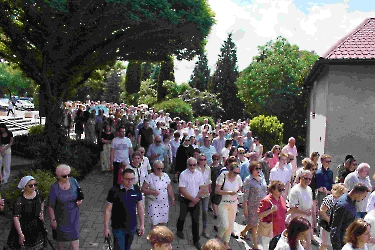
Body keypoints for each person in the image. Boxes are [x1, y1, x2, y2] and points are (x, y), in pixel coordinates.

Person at [104, 168, 145, 250]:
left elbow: (140, 208)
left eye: (132, 179)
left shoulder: (136, 189)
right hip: (118, 226)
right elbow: (108, 210)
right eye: (127, 179)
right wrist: (106, 228)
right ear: (122, 178)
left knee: (127, 247)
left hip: (132, 226)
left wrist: (142, 225)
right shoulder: (114, 190)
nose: (130, 181)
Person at [48, 164, 83, 250]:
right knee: (60, 237)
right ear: (58, 176)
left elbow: (80, 194)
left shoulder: (74, 181)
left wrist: (80, 201)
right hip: (60, 217)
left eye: (69, 175)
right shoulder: (54, 187)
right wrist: (53, 220)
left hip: (73, 215)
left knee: (75, 236)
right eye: (64, 176)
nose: (67, 177)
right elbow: (50, 206)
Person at [5, 176, 45, 250]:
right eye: (31, 185)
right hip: (23, 226)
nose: (34, 187)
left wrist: (41, 212)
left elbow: (42, 202)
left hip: (36, 226)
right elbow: (16, 218)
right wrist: (20, 234)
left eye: (35, 184)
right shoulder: (19, 200)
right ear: (25, 187)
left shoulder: (38, 193)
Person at [330, 183, 370, 250]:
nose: (363, 199)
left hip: (349, 240)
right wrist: (337, 247)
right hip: (342, 243)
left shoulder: (352, 201)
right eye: (364, 196)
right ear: (358, 193)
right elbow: (335, 229)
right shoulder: (342, 205)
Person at [176, 157, 205, 250]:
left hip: (196, 200)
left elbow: (202, 188)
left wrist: (196, 199)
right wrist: (193, 199)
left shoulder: (199, 174)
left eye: (194, 165)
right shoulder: (183, 174)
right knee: (182, 216)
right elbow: (182, 190)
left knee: (196, 221)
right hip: (185, 200)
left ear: (196, 165)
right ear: (187, 164)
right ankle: (179, 230)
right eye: (190, 165)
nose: (192, 166)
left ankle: (196, 240)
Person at [215, 162, 243, 250]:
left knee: (230, 225)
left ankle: (226, 243)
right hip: (223, 202)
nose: (236, 175)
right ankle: (218, 239)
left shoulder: (238, 178)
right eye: (235, 172)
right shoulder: (223, 176)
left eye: (238, 173)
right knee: (225, 224)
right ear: (230, 170)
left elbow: (240, 188)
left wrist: (240, 194)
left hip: (234, 203)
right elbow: (217, 191)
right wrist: (228, 193)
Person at [240, 161, 267, 249]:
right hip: (253, 206)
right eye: (257, 168)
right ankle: (255, 245)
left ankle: (243, 232)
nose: (259, 170)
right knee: (255, 225)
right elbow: (245, 196)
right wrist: (245, 208)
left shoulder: (262, 177)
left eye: (260, 168)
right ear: (251, 170)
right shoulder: (248, 180)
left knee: (254, 222)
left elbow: (265, 191)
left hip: (262, 205)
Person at [142, 161, 175, 227]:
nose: (160, 170)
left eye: (161, 168)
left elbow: (169, 187)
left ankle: (161, 235)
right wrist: (152, 192)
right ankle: (154, 236)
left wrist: (172, 198)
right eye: (158, 168)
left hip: (164, 202)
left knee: (163, 221)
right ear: (154, 168)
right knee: (154, 222)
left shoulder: (165, 176)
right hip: (154, 202)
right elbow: (143, 189)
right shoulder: (149, 177)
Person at [288, 169, 314, 250]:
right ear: (300, 178)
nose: (308, 181)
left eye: (310, 179)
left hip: (307, 221)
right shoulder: (295, 190)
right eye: (306, 178)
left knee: (308, 242)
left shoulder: (309, 189)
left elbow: (310, 204)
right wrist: (305, 212)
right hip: (298, 222)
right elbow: (292, 208)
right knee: (298, 244)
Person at [258, 180, 287, 250]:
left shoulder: (282, 199)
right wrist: (271, 210)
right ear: (273, 189)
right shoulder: (266, 200)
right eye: (279, 190)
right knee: (267, 248)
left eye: (282, 190)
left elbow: (283, 212)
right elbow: (259, 215)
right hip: (269, 231)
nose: (281, 192)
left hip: (280, 229)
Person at [319, 183, 346, 250]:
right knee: (324, 244)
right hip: (327, 226)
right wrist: (330, 221)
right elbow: (322, 211)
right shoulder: (329, 199)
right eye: (342, 193)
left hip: (336, 226)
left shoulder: (342, 200)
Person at [195, 153, 212, 238]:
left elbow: (209, 180)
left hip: (206, 194)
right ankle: (196, 231)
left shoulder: (208, 168)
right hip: (197, 193)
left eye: (204, 159)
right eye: (201, 159)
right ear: (198, 160)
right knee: (197, 213)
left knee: (205, 212)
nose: (202, 161)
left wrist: (210, 189)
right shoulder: (195, 168)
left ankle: (204, 230)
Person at [315, 154, 334, 219]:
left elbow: (332, 183)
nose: (328, 163)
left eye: (329, 161)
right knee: (322, 213)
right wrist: (327, 191)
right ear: (322, 162)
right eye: (327, 161)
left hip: (330, 194)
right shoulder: (318, 173)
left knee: (330, 213)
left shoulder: (330, 172)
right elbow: (318, 187)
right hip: (322, 194)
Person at [210, 153, 222, 219]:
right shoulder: (210, 168)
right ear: (212, 159)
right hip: (213, 184)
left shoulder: (221, 166)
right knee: (213, 198)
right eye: (215, 159)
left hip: (219, 184)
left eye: (217, 159)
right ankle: (216, 214)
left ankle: (210, 207)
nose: (216, 161)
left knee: (215, 198)